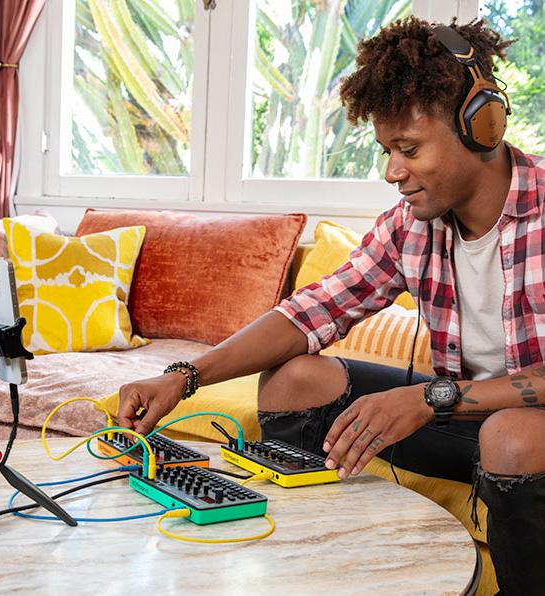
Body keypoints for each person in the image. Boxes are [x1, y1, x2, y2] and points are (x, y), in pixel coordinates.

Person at [118, 17, 545, 594]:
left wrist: (429, 397)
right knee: (295, 379)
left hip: (521, 431)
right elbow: (311, 312)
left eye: (409, 149)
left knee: (512, 437)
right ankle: (310, 573)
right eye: (386, 151)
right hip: (466, 418)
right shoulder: (409, 226)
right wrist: (183, 377)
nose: (393, 172)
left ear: (481, 126)